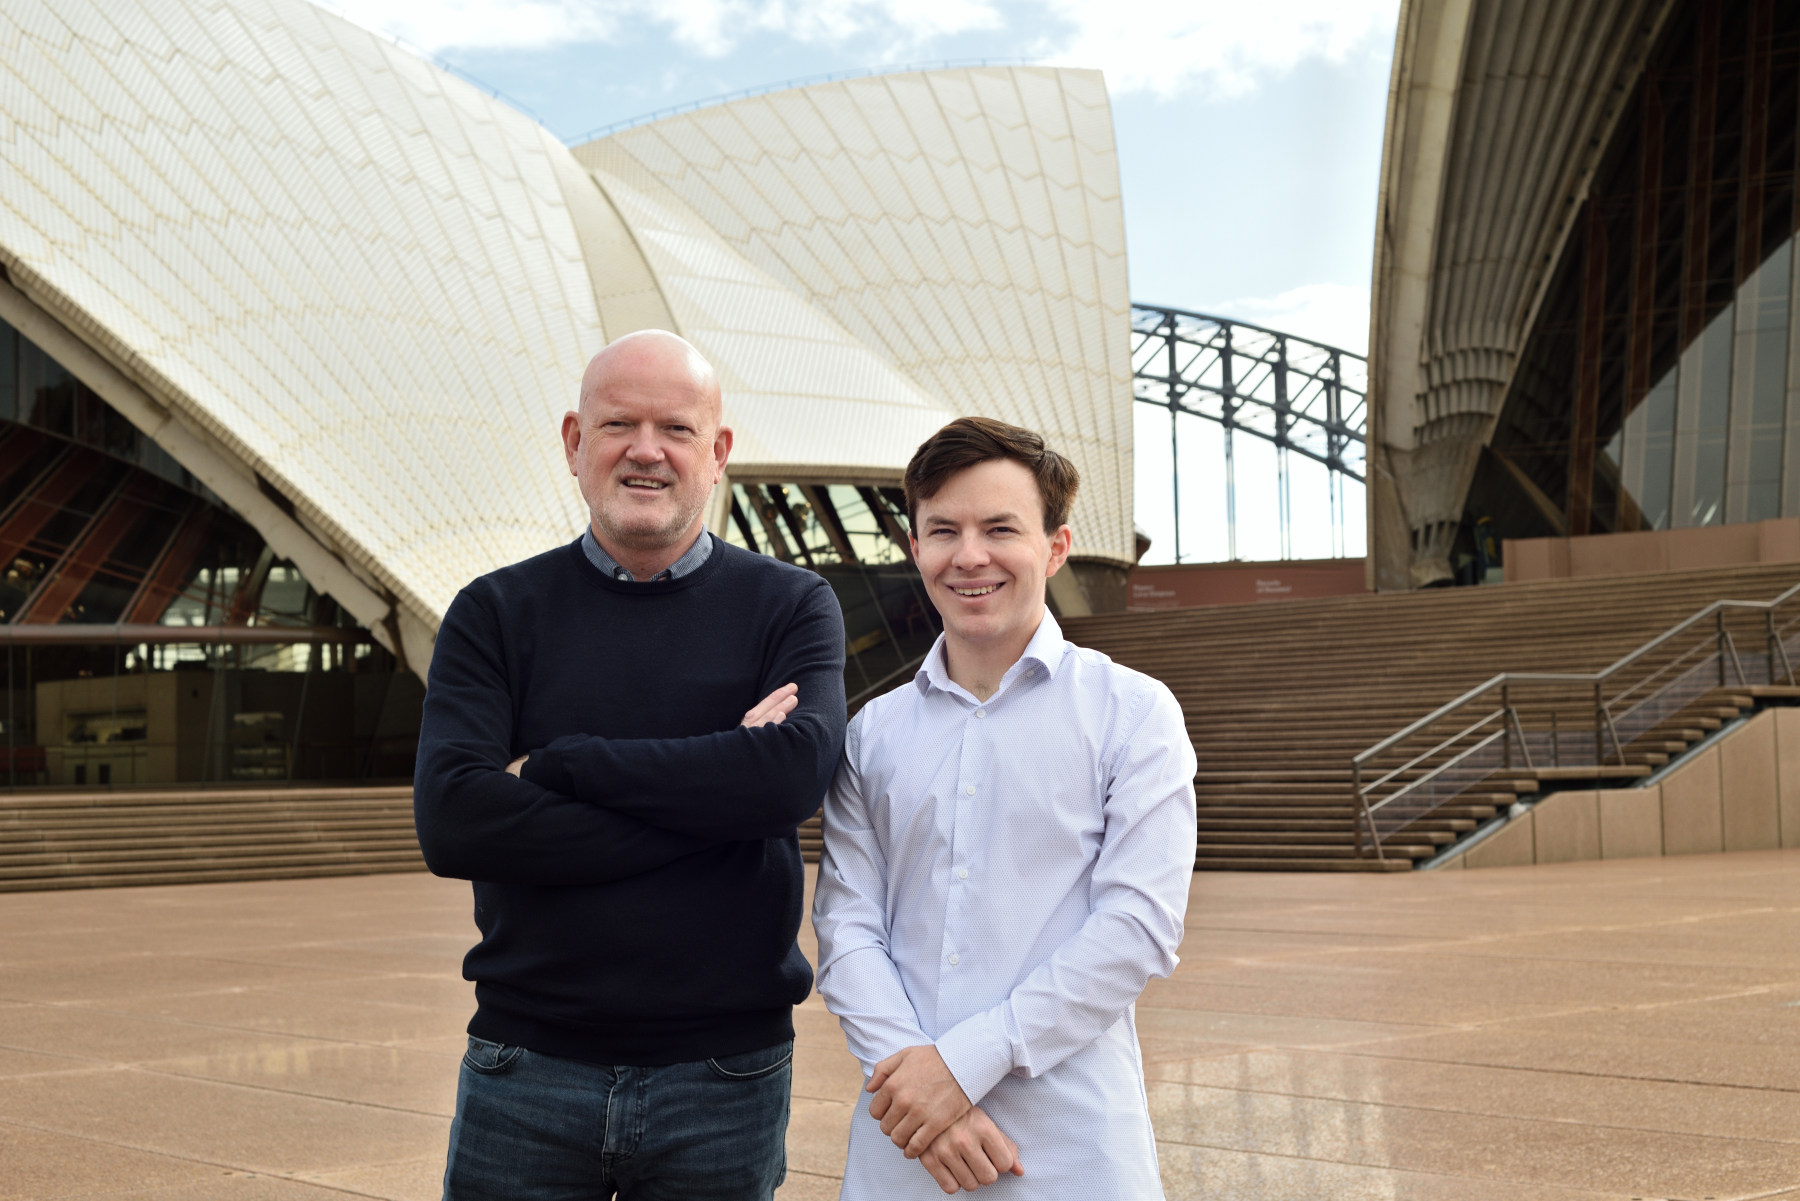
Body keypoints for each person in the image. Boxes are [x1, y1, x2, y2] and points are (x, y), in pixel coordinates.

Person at [414, 330, 846, 1200]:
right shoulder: (493, 612)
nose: (646, 450)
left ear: (717, 452)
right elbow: (455, 819)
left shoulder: (792, 605)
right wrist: (720, 799)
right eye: (619, 424)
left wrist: (561, 765)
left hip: (724, 1073)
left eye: (676, 429)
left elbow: (791, 780)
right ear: (575, 441)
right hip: (526, 1064)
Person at [812, 417, 1196, 1197]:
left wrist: (958, 1068)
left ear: (1054, 547)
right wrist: (925, 1089)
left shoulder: (1133, 712)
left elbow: (1137, 929)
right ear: (915, 547)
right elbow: (846, 928)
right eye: (943, 529)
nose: (970, 555)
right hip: (905, 1147)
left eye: (1000, 528)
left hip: (1074, 1148)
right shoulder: (872, 734)